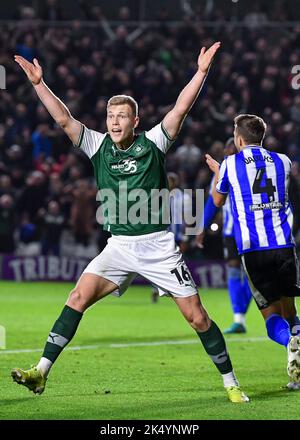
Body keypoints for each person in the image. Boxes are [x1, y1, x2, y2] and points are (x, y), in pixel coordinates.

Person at [12, 42, 249, 403]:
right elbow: (64, 120)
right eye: (111, 116)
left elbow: (180, 108)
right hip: (119, 247)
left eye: (122, 116)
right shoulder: (97, 144)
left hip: (157, 246)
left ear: (135, 121)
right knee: (77, 297)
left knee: (198, 318)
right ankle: (41, 372)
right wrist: (39, 84)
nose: (114, 122)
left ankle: (231, 382)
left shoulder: (154, 142)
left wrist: (200, 73)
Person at [206, 113, 300, 389]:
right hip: (284, 246)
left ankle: (291, 342)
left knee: (272, 318)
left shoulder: (230, 165)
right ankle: (297, 368)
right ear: (262, 137)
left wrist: (218, 174)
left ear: (238, 139)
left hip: (254, 249)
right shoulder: (284, 161)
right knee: (290, 312)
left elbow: (218, 199)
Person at [197, 138, 252, 334]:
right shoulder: (221, 171)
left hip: (251, 230)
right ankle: (239, 318)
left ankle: (241, 316)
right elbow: (213, 201)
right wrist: (202, 226)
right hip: (231, 231)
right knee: (234, 270)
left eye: (231, 147)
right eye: (227, 147)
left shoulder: (247, 168)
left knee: (252, 276)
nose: (228, 150)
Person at [151, 172, 192, 303]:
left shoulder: (184, 197)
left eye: (172, 180)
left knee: (177, 262)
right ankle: (157, 288)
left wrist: (185, 238)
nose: (169, 182)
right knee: (158, 261)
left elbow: (188, 219)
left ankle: (179, 289)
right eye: (167, 179)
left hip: (178, 236)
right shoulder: (158, 196)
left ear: (176, 182)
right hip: (161, 235)